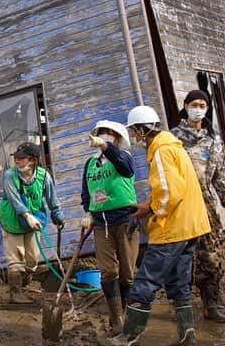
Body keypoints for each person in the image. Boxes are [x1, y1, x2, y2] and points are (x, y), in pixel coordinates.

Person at [106, 105, 211, 346]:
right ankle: (187, 334)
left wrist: (153, 211)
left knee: (145, 282)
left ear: (144, 129)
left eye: (135, 132)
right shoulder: (172, 145)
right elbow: (174, 188)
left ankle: (130, 336)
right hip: (190, 225)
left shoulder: (161, 150)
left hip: (173, 228)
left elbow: (169, 192)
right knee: (178, 281)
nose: (134, 137)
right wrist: (147, 204)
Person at [171, 89, 225, 323]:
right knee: (178, 259)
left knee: (209, 257)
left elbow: (221, 178)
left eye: (203, 105)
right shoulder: (173, 139)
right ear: (185, 106)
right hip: (179, 208)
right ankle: (181, 306)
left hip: (205, 209)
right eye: (194, 104)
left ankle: (211, 304)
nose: (198, 108)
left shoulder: (213, 142)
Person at [80, 120, 138, 334]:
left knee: (127, 273)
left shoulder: (124, 157)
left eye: (109, 134)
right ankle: (116, 319)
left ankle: (127, 311)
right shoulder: (90, 164)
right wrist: (87, 211)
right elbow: (86, 191)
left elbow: (124, 167)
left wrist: (107, 147)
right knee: (108, 271)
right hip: (100, 223)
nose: (104, 136)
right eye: (102, 133)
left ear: (117, 137)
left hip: (125, 221)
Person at [0, 141, 64, 304]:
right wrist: (27, 215)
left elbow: (51, 198)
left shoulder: (43, 176)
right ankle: (15, 293)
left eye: (22, 158)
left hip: (34, 222)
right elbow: (14, 200)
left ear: (33, 160)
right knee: (16, 260)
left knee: (32, 260)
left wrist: (57, 215)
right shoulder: (9, 176)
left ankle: (24, 284)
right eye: (16, 158)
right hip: (13, 221)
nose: (17, 161)